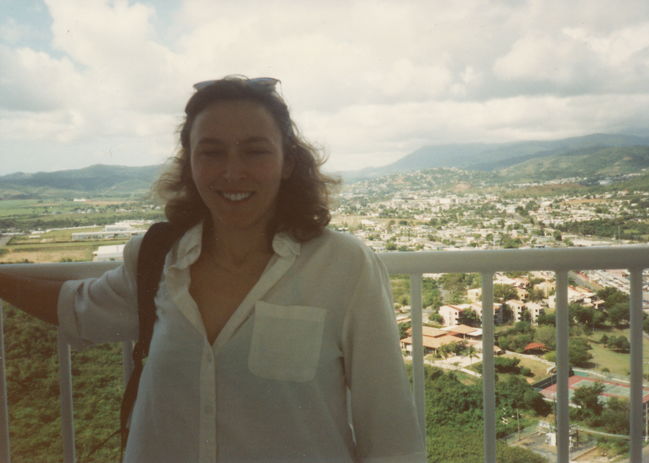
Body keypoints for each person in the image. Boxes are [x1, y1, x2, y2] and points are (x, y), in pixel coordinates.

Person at [0, 76, 425, 462]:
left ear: (288, 163)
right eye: (212, 152)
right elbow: (75, 307)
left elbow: (391, 438)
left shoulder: (344, 267)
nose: (232, 171)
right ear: (190, 165)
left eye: (255, 151)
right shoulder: (155, 261)